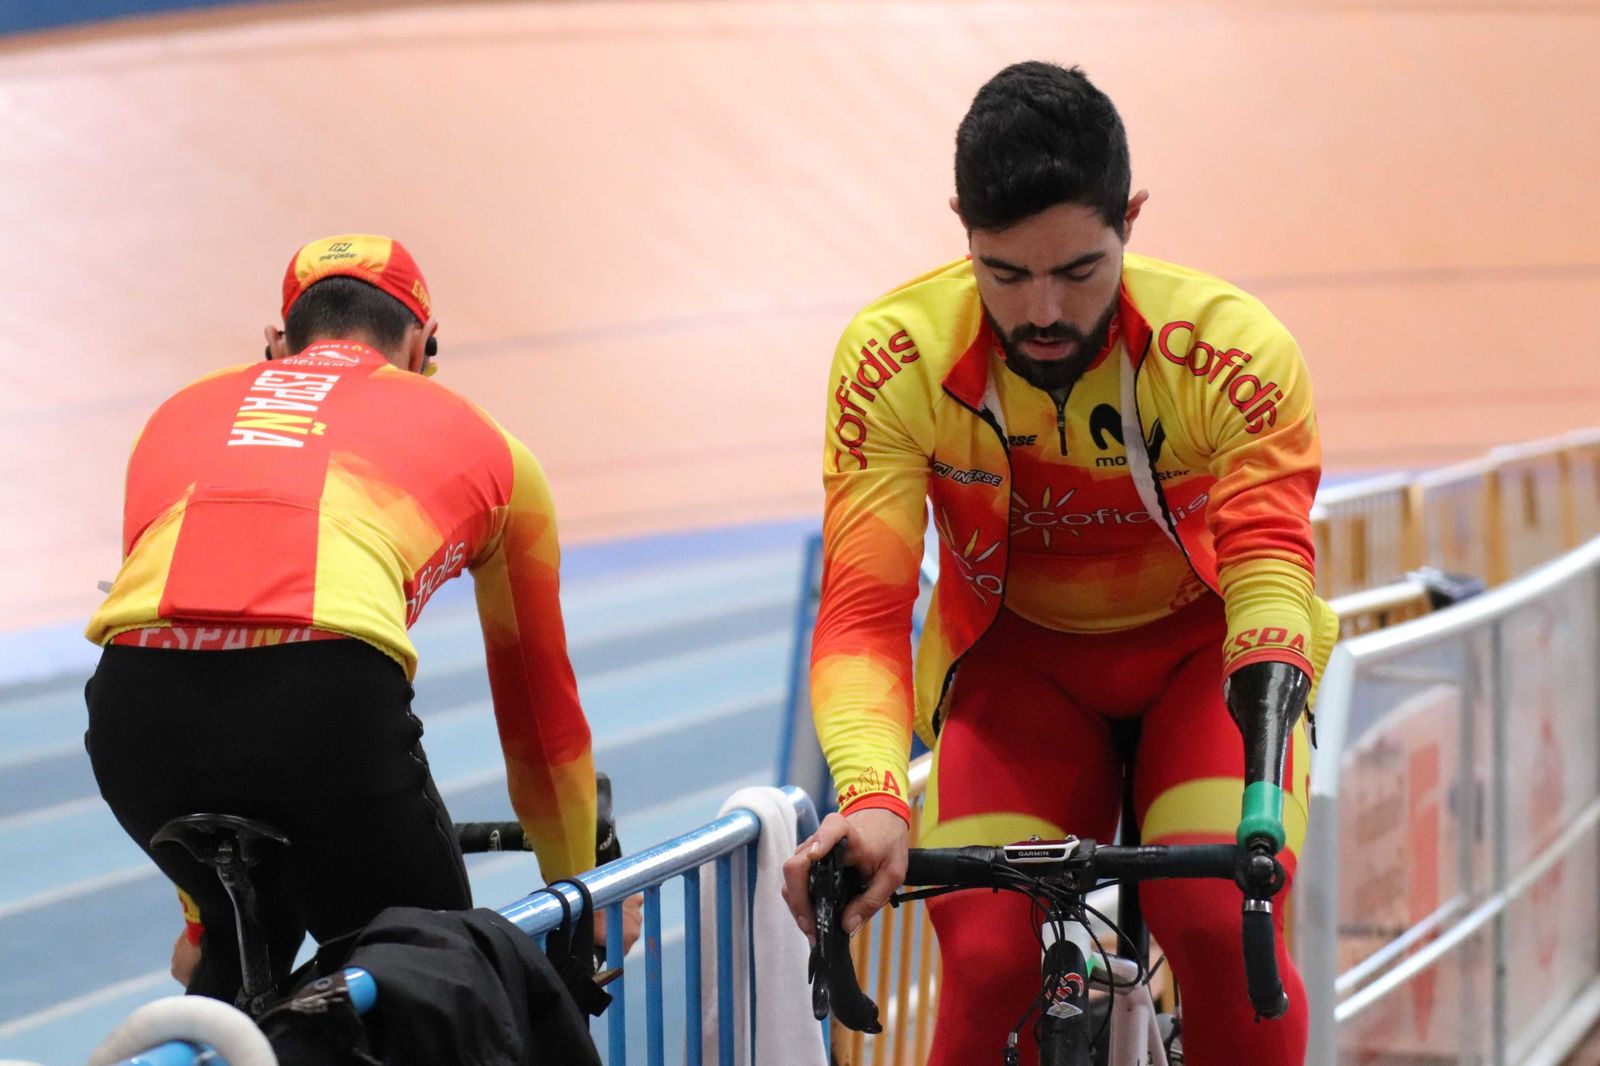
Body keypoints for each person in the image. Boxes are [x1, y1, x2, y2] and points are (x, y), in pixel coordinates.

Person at [781, 63, 1338, 1065]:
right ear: (961, 228)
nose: (1041, 309)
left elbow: (1266, 565)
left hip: (1201, 662)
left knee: (1216, 924)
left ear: (1131, 217)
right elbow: (864, 614)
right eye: (1004, 272)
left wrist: (1260, 779)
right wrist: (869, 797)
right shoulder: (893, 357)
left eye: (1078, 271)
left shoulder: (1228, 346)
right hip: (1017, 669)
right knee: (991, 957)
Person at [84, 233, 618, 1003]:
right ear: (421, 348)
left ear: (274, 344)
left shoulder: (171, 418)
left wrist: (205, 923)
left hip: (132, 717)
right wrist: (581, 896)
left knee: (237, 979)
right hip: (323, 703)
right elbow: (539, 714)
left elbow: (169, 641)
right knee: (443, 995)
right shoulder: (495, 449)